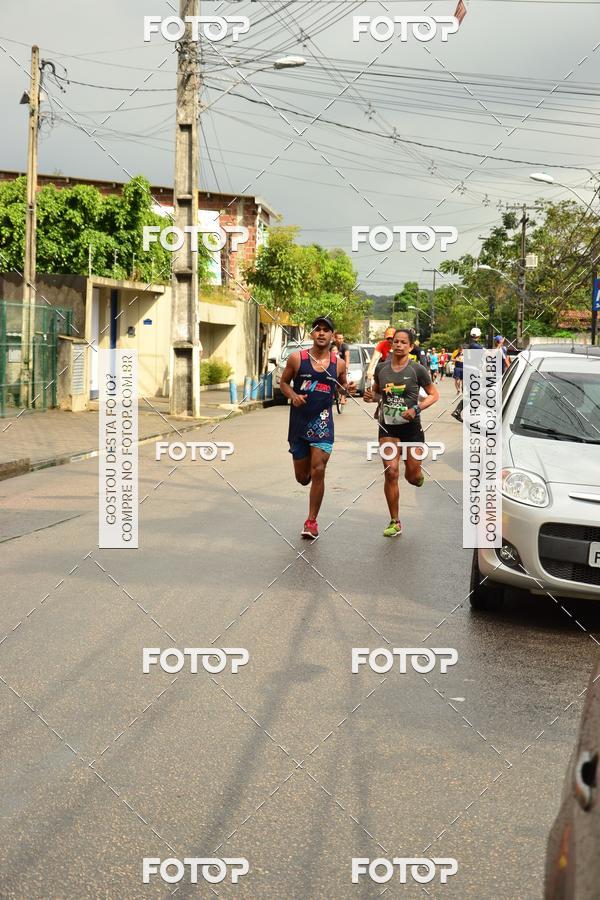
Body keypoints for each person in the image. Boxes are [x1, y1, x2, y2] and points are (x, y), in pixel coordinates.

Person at [280, 316, 355, 539]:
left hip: (323, 423)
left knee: (319, 469)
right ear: (312, 334)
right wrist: (293, 395)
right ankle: (311, 478)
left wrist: (346, 389)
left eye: (326, 330)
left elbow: (341, 388)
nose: (321, 333)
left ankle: (311, 522)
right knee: (303, 478)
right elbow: (283, 383)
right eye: (317, 330)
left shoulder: (338, 363)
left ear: (332, 336)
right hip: (298, 424)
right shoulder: (296, 359)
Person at [363, 328, 439, 537]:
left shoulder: (418, 370)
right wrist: (372, 397)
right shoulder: (381, 368)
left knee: (412, 476)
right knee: (391, 472)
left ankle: (416, 474)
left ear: (411, 346)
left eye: (403, 342)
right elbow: (378, 393)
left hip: (412, 427)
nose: (398, 345)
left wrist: (415, 409)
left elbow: (434, 395)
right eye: (396, 341)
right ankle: (395, 521)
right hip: (388, 426)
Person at [451, 327, 484, 422]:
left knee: (472, 394)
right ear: (479, 335)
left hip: (467, 369)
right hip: (473, 371)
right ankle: (468, 413)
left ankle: (458, 411)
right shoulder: (477, 346)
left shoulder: (466, 344)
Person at [332, 331, 350, 404]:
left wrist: (346, 367)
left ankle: (343, 397)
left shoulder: (345, 346)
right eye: (339, 338)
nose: (341, 340)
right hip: (333, 365)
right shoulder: (331, 346)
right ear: (335, 338)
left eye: (342, 338)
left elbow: (347, 357)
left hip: (342, 365)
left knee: (344, 381)